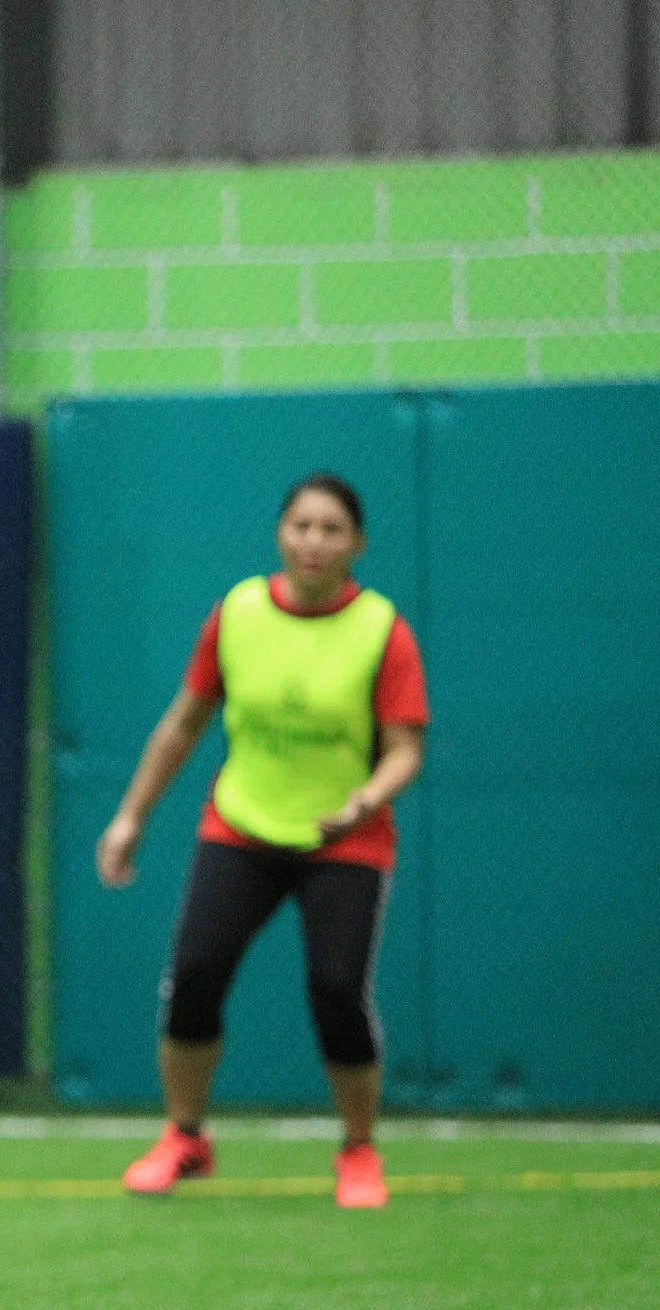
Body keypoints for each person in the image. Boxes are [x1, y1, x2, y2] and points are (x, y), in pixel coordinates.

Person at [96, 473, 429, 1209]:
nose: (314, 542)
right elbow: (183, 723)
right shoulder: (238, 613)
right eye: (301, 526)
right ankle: (185, 1137)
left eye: (332, 529)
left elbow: (406, 748)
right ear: (280, 533)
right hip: (241, 826)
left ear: (358, 543)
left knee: (338, 991)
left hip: (345, 841)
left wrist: (364, 800)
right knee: (195, 976)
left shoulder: (383, 630)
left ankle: (359, 1149)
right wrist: (130, 817)